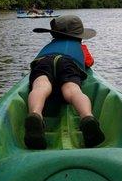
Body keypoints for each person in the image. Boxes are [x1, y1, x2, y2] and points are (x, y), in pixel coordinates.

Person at [24, 15, 105, 150]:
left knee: (41, 86)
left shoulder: (50, 46)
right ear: (79, 36)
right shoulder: (79, 46)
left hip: (45, 61)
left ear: (55, 35)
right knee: (72, 90)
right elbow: (89, 62)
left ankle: (35, 114)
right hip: (68, 63)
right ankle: (87, 116)